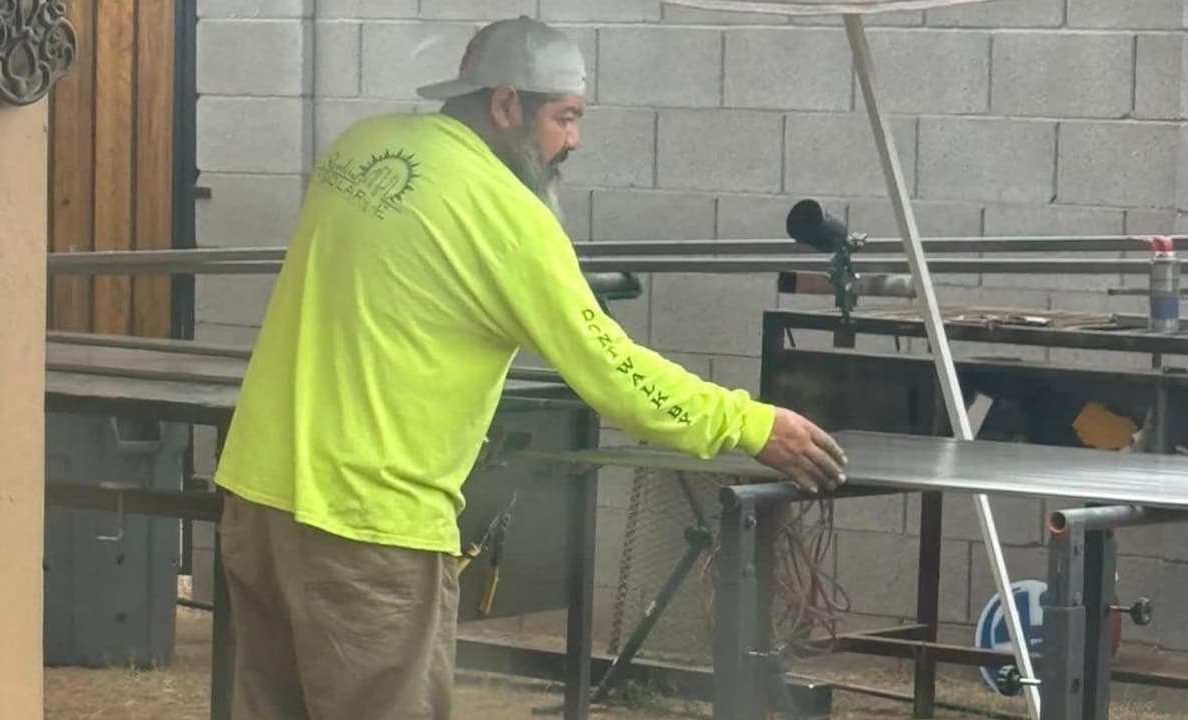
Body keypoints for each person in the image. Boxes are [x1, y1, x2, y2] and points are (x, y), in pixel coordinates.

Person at [211, 15, 847, 720]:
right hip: (369, 525)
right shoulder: (508, 217)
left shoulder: (361, 147)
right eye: (564, 118)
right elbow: (615, 374)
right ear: (506, 104)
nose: (573, 140)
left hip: (259, 498)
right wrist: (752, 424)